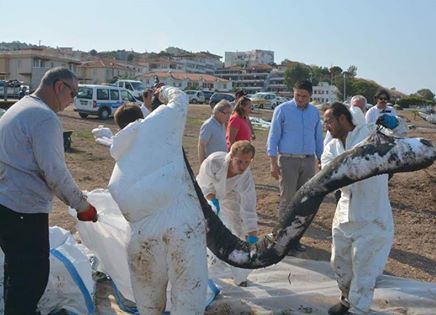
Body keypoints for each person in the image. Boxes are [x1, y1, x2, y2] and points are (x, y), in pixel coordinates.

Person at [0, 67, 98, 315]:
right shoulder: (44, 117)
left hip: (7, 203)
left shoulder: (20, 107)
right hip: (23, 210)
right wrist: (83, 205)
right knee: (30, 278)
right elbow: (54, 172)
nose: (72, 100)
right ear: (58, 87)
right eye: (73, 93)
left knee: (16, 272)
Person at [109, 85, 207, 314]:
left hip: (141, 238)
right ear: (142, 115)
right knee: (188, 295)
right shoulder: (157, 125)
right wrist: (162, 91)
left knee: (148, 301)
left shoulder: (119, 161)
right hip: (183, 226)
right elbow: (181, 99)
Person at [321, 102, 393, 315]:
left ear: (343, 119)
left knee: (364, 267)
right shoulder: (331, 147)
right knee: (339, 262)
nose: (327, 126)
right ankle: (346, 299)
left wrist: (391, 125)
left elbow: (395, 137)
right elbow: (328, 172)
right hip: (344, 213)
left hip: (371, 215)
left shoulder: (370, 134)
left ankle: (358, 309)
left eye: (329, 121)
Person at [267, 79, 323, 252]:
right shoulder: (282, 110)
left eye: (304, 96)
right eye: (297, 95)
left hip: (307, 161)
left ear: (310, 96)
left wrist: (321, 158)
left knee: (303, 201)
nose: (300, 98)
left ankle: (295, 238)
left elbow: (318, 137)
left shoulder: (314, 112)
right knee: (287, 199)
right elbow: (273, 136)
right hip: (287, 160)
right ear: (293, 92)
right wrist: (273, 163)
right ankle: (281, 238)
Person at [196, 140, 258, 287]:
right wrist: (211, 200)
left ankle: (240, 276)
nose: (243, 166)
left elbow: (248, 204)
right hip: (204, 195)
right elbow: (202, 184)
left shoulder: (246, 176)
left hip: (229, 195)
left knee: (237, 230)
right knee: (202, 229)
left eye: (247, 162)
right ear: (231, 156)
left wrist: (252, 232)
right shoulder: (214, 161)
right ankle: (200, 270)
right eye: (239, 161)